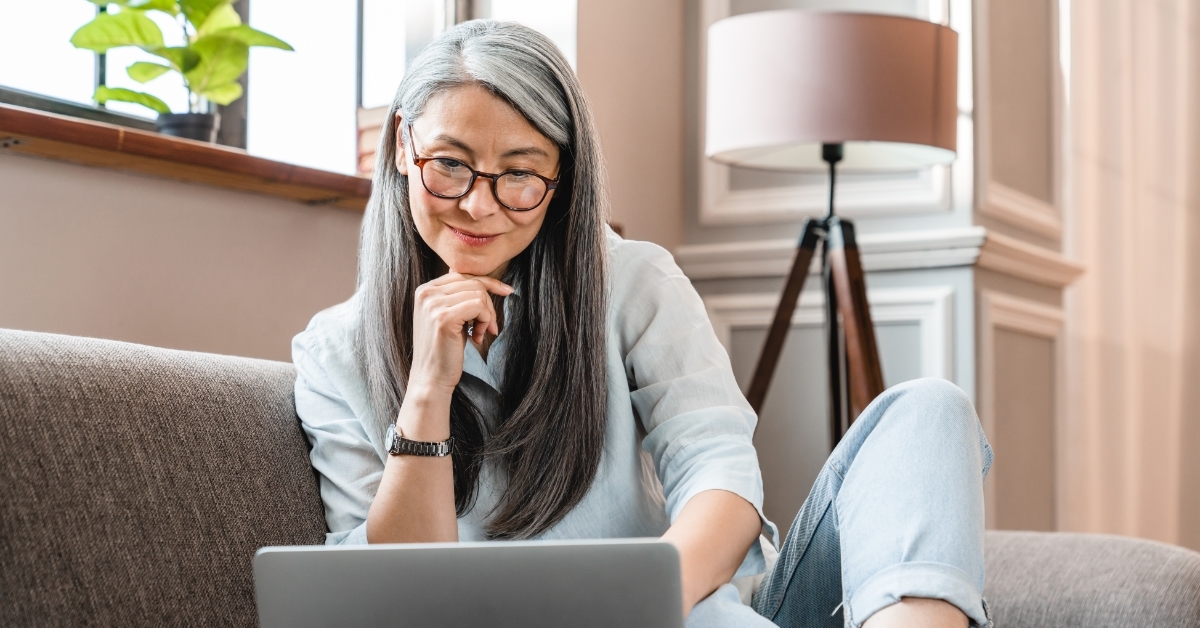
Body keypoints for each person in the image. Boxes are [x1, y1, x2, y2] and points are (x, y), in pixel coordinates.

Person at [292, 20, 993, 628]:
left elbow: (721, 480)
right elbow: (390, 604)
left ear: (562, 177)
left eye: (520, 174)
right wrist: (424, 398)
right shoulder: (335, 354)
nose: (480, 205)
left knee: (928, 409)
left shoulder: (632, 281)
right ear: (399, 145)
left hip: (697, 609)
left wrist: (643, 607)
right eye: (450, 165)